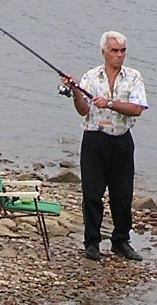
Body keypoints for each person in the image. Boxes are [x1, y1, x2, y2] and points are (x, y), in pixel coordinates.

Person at [60, 31, 148, 262]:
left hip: (121, 140)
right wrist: (76, 91)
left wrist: (109, 103)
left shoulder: (133, 77)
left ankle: (121, 241)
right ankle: (92, 242)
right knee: (92, 193)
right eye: (114, 51)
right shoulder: (91, 77)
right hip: (94, 140)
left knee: (122, 195)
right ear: (104, 52)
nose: (119, 55)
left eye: (123, 51)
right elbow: (83, 110)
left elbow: (137, 108)